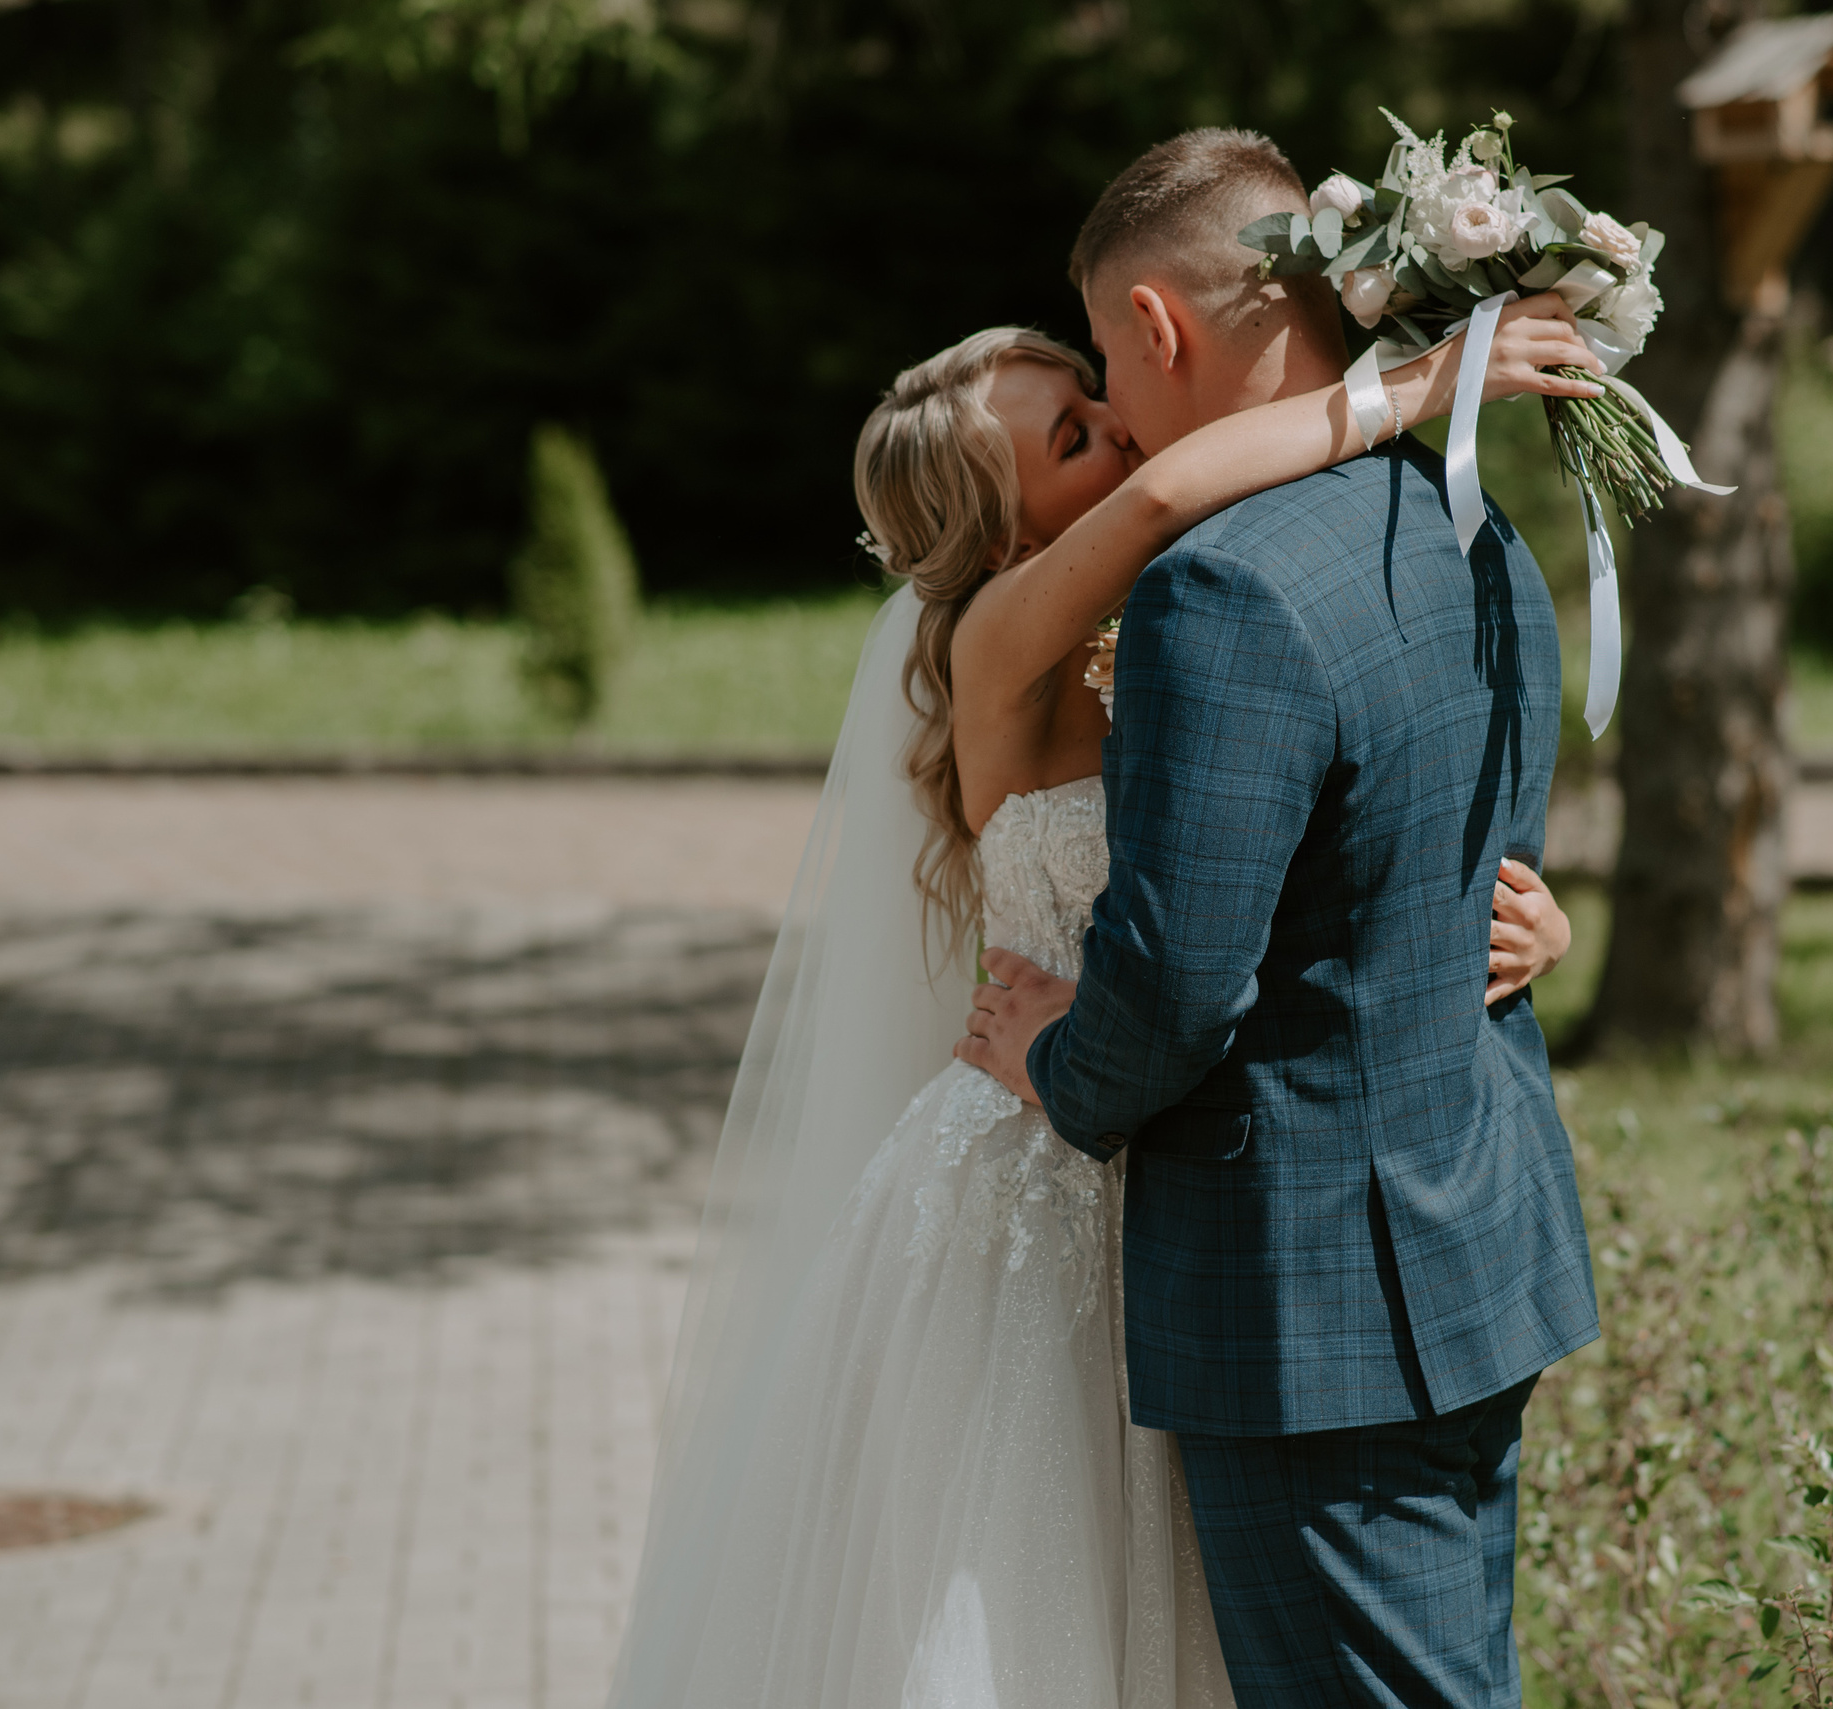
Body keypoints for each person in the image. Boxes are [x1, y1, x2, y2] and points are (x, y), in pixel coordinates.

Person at [604, 132, 1601, 1709]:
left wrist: (1513, 930)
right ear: (1004, 525)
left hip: (1177, 1182)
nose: (1117, 430)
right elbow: (1161, 496)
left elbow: (1322, 859)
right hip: (1055, 1166)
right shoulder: (1009, 637)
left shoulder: (1206, 616)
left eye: (1096, 398)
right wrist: (1405, 394)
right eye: (1070, 434)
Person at [957, 129, 1605, 1709]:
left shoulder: (1220, 587)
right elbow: (1449, 874)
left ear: (1161, 328)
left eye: (1111, 352)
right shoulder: (1472, 523)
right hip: (1476, 1250)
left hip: (1316, 1309)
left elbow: (1178, 985)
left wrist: (1055, 1061)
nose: (1117, 396)